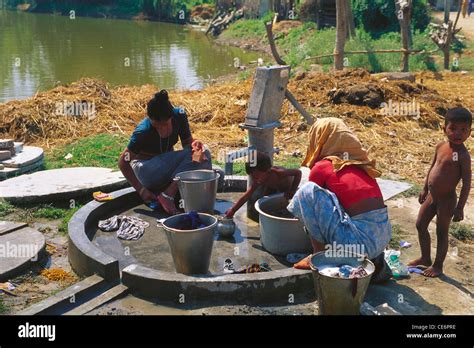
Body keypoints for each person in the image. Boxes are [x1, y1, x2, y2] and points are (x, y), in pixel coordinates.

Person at [287, 118, 392, 282]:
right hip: (382, 239)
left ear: (320, 138)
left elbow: (310, 204)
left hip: (357, 245)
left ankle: (318, 257)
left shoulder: (322, 166)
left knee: (306, 193)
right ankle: (372, 260)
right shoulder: (360, 165)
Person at [118, 90, 211, 215]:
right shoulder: (143, 131)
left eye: (165, 124)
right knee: (195, 159)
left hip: (166, 168)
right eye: (157, 125)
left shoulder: (179, 116)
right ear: (150, 119)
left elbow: (187, 145)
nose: (162, 128)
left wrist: (196, 145)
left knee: (207, 158)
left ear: (171, 116)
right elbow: (123, 162)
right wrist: (141, 190)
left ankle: (169, 193)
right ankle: (167, 195)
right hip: (147, 170)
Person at [408, 107, 472, 277]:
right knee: (420, 225)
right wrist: (424, 188)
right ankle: (425, 257)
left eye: (463, 130)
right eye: (453, 128)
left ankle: (438, 266)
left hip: (447, 200)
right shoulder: (440, 146)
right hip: (432, 196)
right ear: (444, 129)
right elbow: (432, 167)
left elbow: (466, 184)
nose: (458, 133)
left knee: (442, 232)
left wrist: (460, 207)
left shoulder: (463, 156)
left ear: (470, 132)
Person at [225, 152, 302, 218]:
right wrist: (233, 210)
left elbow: (298, 173)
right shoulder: (258, 180)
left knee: (289, 207)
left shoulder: (279, 173)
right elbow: (246, 196)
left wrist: (292, 190)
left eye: (256, 176)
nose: (254, 179)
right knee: (264, 205)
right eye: (252, 176)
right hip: (273, 187)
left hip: (287, 187)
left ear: (267, 171)